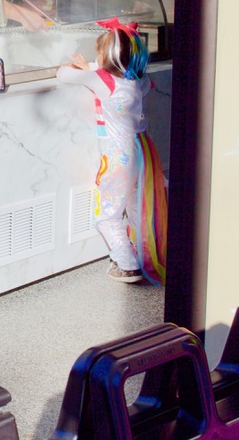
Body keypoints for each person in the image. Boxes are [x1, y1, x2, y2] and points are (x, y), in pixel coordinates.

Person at [56, 18, 167, 284]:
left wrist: (89, 68)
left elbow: (63, 74)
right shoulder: (140, 79)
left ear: (107, 55)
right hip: (143, 151)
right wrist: (94, 68)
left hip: (119, 154)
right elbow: (135, 78)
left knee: (108, 214)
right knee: (136, 206)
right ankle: (144, 255)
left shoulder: (102, 80)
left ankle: (127, 264)